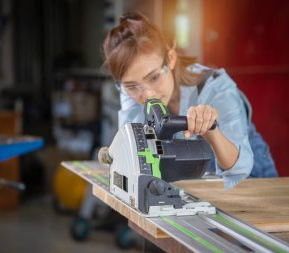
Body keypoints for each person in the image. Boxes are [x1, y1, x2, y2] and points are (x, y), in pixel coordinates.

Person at [99, 11, 277, 189]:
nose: (147, 95)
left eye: (154, 78)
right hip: (199, 184)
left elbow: (239, 170)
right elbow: (134, 157)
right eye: (131, 86)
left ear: (170, 59)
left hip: (252, 181)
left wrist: (212, 131)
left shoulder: (215, 87)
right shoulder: (132, 88)